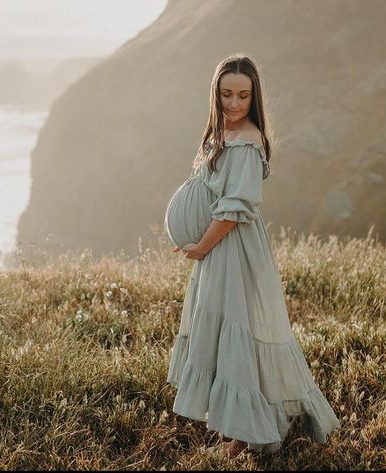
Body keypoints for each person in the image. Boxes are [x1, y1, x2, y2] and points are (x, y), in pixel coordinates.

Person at [164, 53, 341, 459]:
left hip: (233, 250)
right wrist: (195, 236)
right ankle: (234, 428)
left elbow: (232, 210)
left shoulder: (247, 141)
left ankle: (244, 437)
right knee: (226, 333)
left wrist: (201, 247)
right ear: (216, 93)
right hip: (216, 249)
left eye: (243, 95)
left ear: (254, 96)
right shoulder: (219, 134)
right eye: (226, 94)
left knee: (239, 331)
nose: (234, 103)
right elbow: (208, 193)